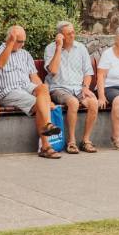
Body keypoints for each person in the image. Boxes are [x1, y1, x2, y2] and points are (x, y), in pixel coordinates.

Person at [0, 25, 62, 159]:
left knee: (43, 88)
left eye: (24, 42)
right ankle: (46, 146)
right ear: (10, 39)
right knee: (40, 105)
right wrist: (9, 45)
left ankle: (48, 126)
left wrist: (47, 99)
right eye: (19, 41)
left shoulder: (25, 54)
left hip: (26, 87)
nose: (22, 45)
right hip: (7, 91)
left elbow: (34, 77)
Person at [44, 21, 98, 155]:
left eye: (73, 32)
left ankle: (85, 140)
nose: (73, 36)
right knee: (73, 102)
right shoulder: (50, 48)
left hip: (78, 88)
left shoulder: (81, 48)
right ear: (60, 35)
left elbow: (88, 72)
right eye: (69, 34)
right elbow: (53, 70)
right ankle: (71, 141)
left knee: (93, 102)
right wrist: (59, 47)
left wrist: (85, 87)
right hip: (58, 88)